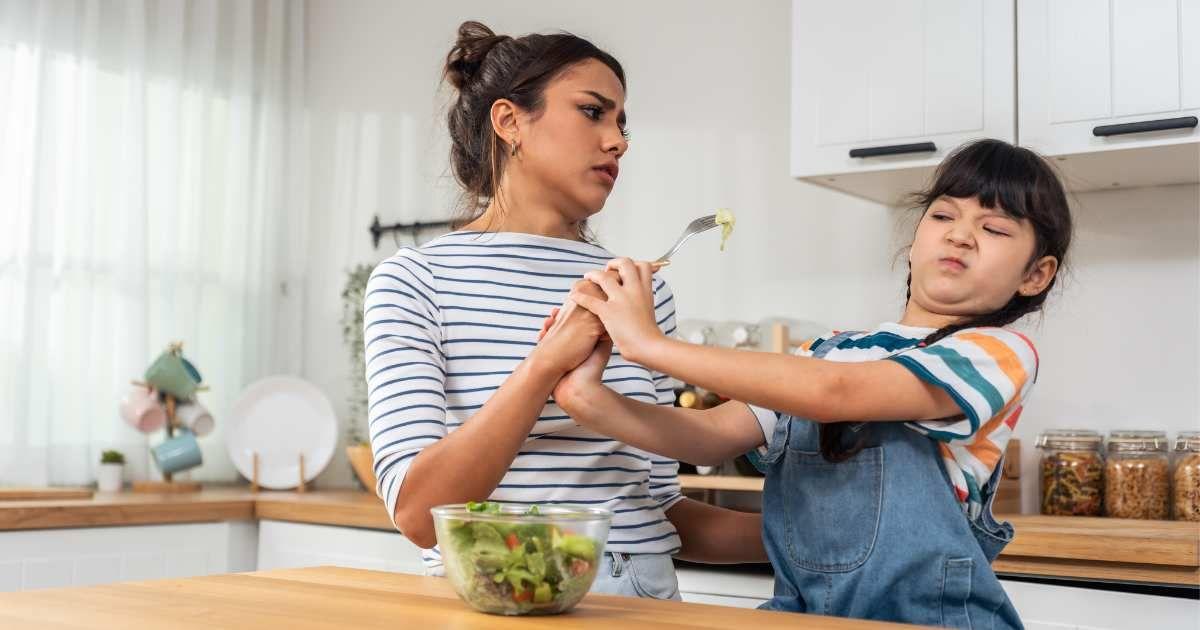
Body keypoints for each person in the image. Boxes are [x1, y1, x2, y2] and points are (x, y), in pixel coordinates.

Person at [550, 138, 1072, 627]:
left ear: (1035, 275)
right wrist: (587, 396)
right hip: (799, 615)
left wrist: (650, 345)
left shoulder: (994, 354)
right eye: (942, 215)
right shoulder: (827, 352)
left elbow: (834, 394)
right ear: (914, 240)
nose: (959, 234)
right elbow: (706, 434)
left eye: (995, 228)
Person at [364, 21, 765, 601]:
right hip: (495, 598)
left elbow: (652, 509)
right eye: (593, 112)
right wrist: (547, 363)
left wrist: (816, 536)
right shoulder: (416, 280)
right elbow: (420, 514)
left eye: (622, 124)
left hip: (644, 600)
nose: (618, 141)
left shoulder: (639, 294)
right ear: (510, 122)